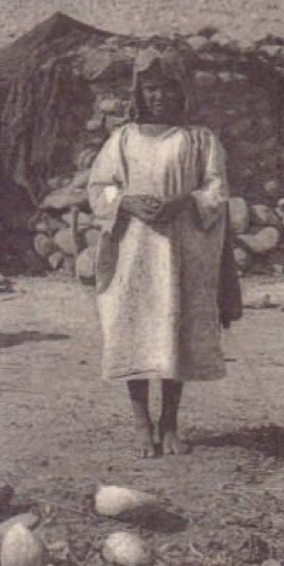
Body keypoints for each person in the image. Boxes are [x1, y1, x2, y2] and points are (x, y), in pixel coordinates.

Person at [87, 51, 238, 459]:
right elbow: (99, 187)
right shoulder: (122, 139)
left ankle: (169, 423)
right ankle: (141, 425)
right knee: (133, 329)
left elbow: (216, 191)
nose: (159, 97)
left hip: (181, 251)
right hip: (133, 250)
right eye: (151, 89)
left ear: (181, 91)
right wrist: (128, 202)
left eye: (167, 88)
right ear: (139, 92)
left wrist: (184, 201)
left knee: (174, 329)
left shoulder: (199, 140)